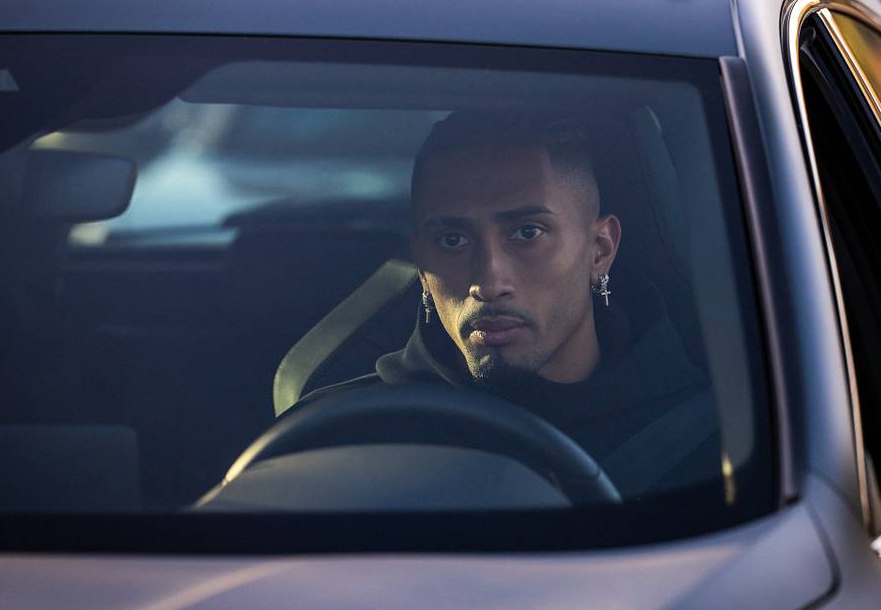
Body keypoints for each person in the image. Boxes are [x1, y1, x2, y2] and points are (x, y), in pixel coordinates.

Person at [288, 110, 719, 497]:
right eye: (452, 240)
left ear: (600, 250)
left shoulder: (720, 446)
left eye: (527, 233)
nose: (489, 283)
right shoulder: (336, 440)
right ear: (421, 266)